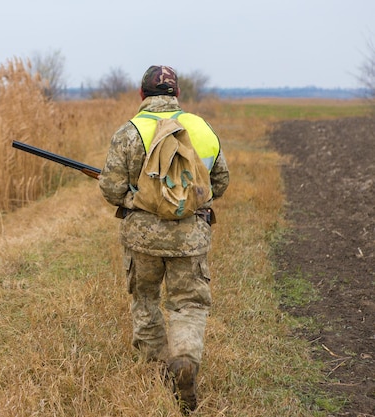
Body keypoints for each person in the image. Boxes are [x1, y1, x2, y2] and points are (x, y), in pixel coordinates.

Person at [98, 65, 229, 414]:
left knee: (145, 299)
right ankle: (184, 360)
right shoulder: (201, 128)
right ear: (176, 95)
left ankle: (156, 374)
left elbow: (111, 189)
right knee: (189, 304)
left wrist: (132, 198)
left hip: (143, 239)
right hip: (191, 238)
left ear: (142, 95)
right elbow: (221, 181)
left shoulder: (128, 132)